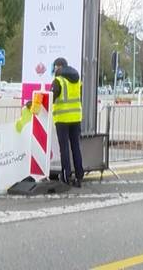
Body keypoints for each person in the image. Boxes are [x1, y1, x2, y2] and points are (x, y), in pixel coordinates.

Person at [50, 57, 84, 187]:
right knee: (76, 147)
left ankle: (66, 176)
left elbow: (51, 98)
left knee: (64, 149)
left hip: (63, 119)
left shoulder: (58, 81)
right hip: (76, 117)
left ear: (58, 67)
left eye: (55, 67)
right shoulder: (76, 80)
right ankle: (79, 176)